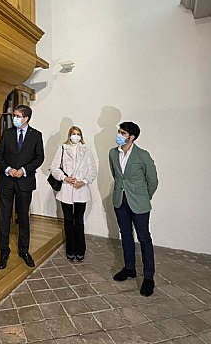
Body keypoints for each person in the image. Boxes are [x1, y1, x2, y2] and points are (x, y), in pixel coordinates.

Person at [109, 121, 158, 296]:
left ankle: (149, 277)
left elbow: (152, 181)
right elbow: (117, 176)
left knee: (144, 238)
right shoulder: (113, 153)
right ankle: (129, 268)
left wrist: (144, 197)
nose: (119, 135)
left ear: (132, 137)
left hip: (139, 203)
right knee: (126, 234)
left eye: (122, 133)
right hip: (120, 201)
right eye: (119, 132)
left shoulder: (142, 155)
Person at [0, 104, 44, 269]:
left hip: (25, 182)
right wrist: (8, 169)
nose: (14, 118)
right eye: (14, 115)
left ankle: (24, 251)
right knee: (4, 218)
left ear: (26, 118)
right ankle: (4, 252)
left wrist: (23, 170)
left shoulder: (36, 135)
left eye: (17, 116)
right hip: (6, 182)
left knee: (23, 218)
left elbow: (39, 158)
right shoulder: (7, 133)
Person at [49, 126, 97, 262]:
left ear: (81, 136)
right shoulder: (62, 148)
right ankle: (70, 249)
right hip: (66, 190)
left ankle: (81, 249)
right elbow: (54, 167)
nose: (76, 136)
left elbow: (93, 170)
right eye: (73, 134)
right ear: (69, 135)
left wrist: (84, 181)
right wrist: (65, 178)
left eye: (78, 134)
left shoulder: (86, 150)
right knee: (68, 221)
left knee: (79, 221)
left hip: (81, 190)